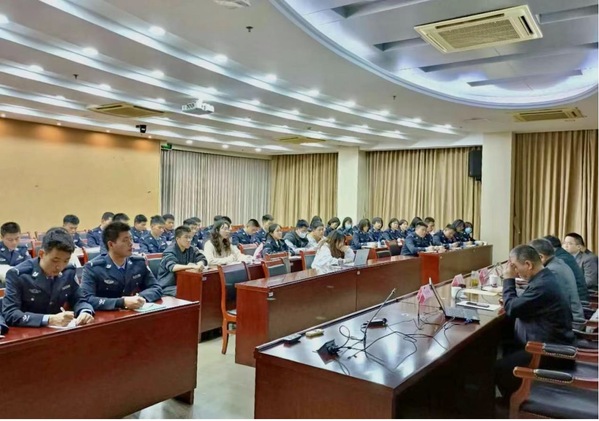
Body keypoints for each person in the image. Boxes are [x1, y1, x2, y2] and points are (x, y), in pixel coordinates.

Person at [495, 245, 575, 401]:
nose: (514, 271)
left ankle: (514, 402)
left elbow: (512, 308)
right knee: (505, 342)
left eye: (515, 267)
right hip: (545, 340)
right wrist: (516, 302)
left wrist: (508, 279)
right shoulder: (545, 277)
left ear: (528, 264)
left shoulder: (543, 285)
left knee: (499, 368)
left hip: (549, 352)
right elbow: (520, 304)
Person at [3, 227, 95, 327]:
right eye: (55, 260)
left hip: (59, 330)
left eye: (65, 261)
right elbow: (10, 313)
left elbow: (79, 299)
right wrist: (48, 319)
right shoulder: (18, 275)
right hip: (27, 331)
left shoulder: (68, 271)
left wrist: (84, 311)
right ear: (42, 254)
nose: (60, 267)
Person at [81, 222, 162, 310]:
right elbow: (87, 299)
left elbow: (156, 287)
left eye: (131, 239)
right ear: (111, 244)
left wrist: (138, 298)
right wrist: (121, 302)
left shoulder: (138, 262)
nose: (131, 243)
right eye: (125, 240)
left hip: (134, 312)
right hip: (108, 314)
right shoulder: (93, 268)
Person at [530, 238, 584, 326]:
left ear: (541, 257)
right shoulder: (558, 263)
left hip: (571, 323)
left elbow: (536, 295)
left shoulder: (552, 270)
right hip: (570, 317)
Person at [157, 225, 207, 296]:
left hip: (184, 283)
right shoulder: (169, 251)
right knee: (189, 291)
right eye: (186, 237)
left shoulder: (191, 249)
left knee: (204, 288)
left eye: (190, 237)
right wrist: (192, 266)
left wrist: (200, 264)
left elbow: (202, 258)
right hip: (168, 286)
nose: (189, 240)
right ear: (178, 239)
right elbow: (173, 267)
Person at [543, 235, 589, 302]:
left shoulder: (561, 259)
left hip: (577, 300)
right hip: (569, 298)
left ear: (549, 248)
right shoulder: (561, 255)